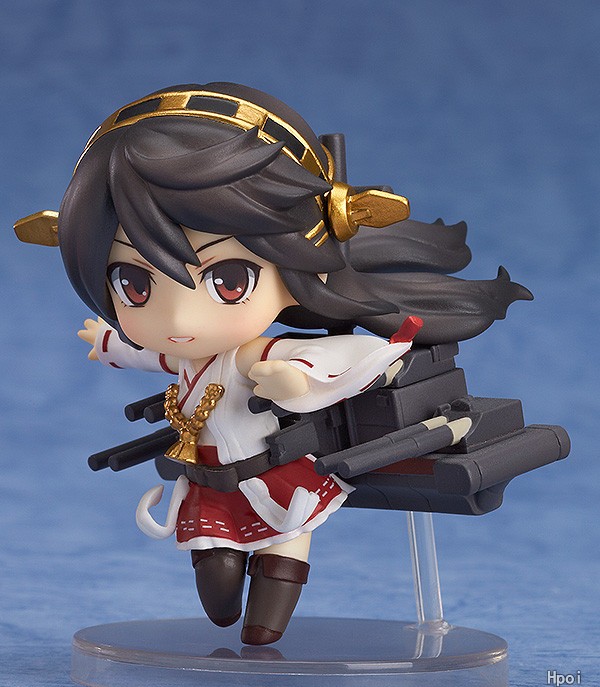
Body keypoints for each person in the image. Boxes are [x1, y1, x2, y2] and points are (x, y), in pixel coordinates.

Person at [46, 82, 531, 644]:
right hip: (210, 483)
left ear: (298, 267)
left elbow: (358, 355)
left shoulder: (256, 355)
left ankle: (269, 612)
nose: (180, 317)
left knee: (282, 549)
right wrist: (108, 343)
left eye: (228, 281)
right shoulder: (187, 356)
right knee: (217, 584)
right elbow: (149, 352)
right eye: (133, 283)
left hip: (272, 475)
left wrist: (297, 378)